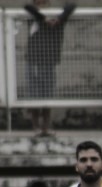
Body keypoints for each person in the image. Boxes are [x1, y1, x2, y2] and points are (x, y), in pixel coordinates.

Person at [23, 1, 76, 137]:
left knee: (47, 94)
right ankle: (36, 127)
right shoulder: (35, 14)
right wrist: (43, 18)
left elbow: (72, 5)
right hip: (33, 60)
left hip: (49, 61)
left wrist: (58, 19)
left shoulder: (58, 14)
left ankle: (46, 127)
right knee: (34, 94)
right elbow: (26, 6)